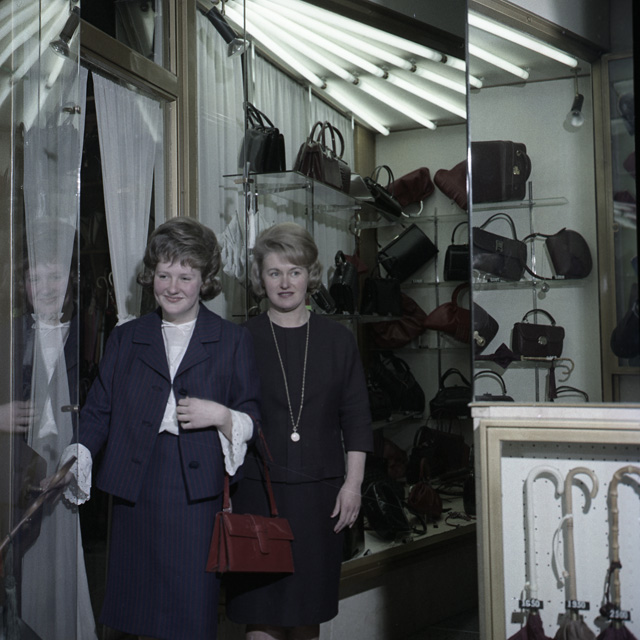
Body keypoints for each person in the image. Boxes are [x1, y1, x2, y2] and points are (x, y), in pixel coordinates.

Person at [73, 216, 261, 640]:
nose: (172, 287)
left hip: (195, 494)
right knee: (138, 612)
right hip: (134, 488)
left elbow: (252, 415)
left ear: (205, 280)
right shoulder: (126, 338)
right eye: (163, 275)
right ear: (151, 276)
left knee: (189, 614)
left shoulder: (232, 340)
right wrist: (79, 452)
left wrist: (221, 415)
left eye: (185, 276)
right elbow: (99, 410)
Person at [225, 222, 373, 640]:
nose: (285, 283)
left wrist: (353, 486)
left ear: (311, 275)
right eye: (274, 272)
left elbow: (357, 419)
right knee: (261, 613)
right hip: (256, 494)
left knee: (307, 614)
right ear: (261, 279)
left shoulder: (338, 340)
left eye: (295, 271)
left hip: (320, 499)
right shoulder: (241, 339)